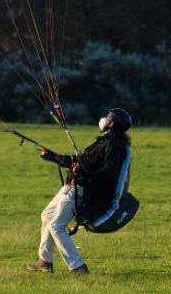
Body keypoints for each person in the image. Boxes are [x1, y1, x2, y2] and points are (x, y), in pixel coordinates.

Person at [25, 107, 133, 275]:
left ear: (112, 124)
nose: (104, 119)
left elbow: (110, 171)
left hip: (84, 189)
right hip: (76, 184)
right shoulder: (105, 141)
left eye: (108, 118)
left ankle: (78, 267)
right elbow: (82, 162)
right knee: (47, 215)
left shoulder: (113, 145)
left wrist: (85, 177)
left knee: (56, 225)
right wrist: (55, 157)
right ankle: (45, 261)